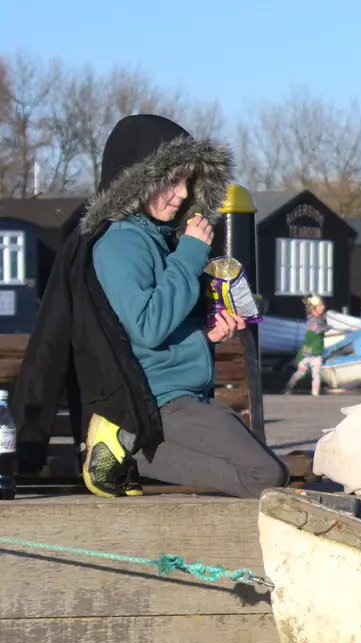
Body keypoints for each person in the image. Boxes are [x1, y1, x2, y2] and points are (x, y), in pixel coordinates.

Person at [11, 113, 287, 498]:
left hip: (178, 398)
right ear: (137, 181)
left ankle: (126, 447)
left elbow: (146, 330)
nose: (180, 194)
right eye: (170, 182)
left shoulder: (156, 239)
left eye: (188, 182)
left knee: (271, 475)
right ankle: (124, 445)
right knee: (265, 477)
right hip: (156, 401)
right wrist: (191, 252)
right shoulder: (122, 241)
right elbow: (149, 326)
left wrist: (204, 334)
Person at [282, 295, 327, 396]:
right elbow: (317, 330)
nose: (323, 307)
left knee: (316, 374)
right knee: (301, 373)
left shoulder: (321, 320)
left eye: (323, 305)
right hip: (306, 353)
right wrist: (328, 328)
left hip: (317, 353)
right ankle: (289, 386)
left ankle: (315, 394)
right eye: (320, 305)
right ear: (314, 308)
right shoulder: (312, 320)